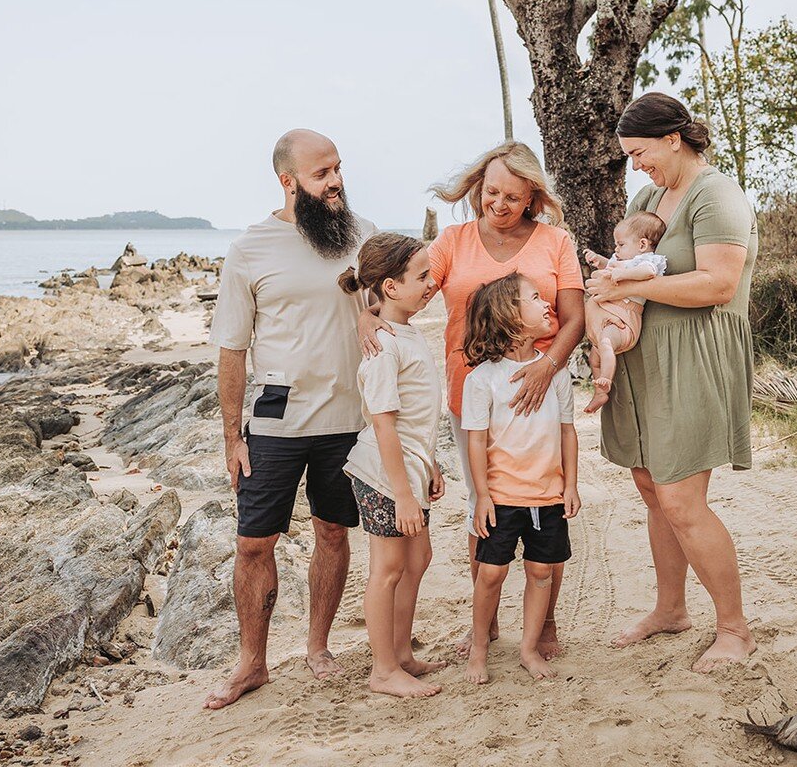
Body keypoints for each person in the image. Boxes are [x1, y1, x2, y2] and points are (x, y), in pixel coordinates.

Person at [362, 141, 584, 658]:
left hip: (542, 395)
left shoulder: (555, 242)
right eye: (490, 193)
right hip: (473, 396)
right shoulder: (453, 240)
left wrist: (547, 370)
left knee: (546, 499)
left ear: (532, 197)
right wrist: (364, 315)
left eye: (512, 196)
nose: (499, 204)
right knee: (482, 504)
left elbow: (573, 317)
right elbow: (402, 290)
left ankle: (544, 624)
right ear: (477, 188)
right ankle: (484, 625)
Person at [204, 129, 378, 710]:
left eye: (338, 169)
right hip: (274, 422)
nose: (336, 182)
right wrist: (232, 437)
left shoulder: (362, 236)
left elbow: (399, 304)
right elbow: (232, 349)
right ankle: (252, 662)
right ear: (288, 182)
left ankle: (318, 646)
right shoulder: (250, 249)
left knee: (334, 531)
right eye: (322, 173)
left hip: (348, 419)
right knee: (255, 543)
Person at [587, 92, 758, 673]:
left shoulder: (718, 196)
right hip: (645, 360)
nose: (635, 164)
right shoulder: (649, 196)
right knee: (652, 489)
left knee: (683, 500)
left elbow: (718, 286)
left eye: (639, 152)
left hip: (695, 358)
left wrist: (628, 289)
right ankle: (670, 609)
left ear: (672, 138)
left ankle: (734, 629)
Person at [338, 232, 448, 699]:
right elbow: (384, 426)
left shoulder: (404, 328)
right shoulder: (382, 345)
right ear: (390, 287)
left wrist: (433, 464)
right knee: (387, 568)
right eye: (421, 277)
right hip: (385, 475)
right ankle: (382, 670)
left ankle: (401, 653)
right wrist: (403, 493)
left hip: (411, 468)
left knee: (418, 559)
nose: (431, 283)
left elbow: (417, 414)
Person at [459, 273, 581, 684]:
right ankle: (479, 648)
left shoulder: (557, 375)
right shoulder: (482, 380)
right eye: (534, 297)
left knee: (541, 572)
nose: (547, 302)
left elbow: (568, 431)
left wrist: (572, 485)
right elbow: (475, 442)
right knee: (490, 573)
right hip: (503, 496)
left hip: (548, 496)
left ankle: (529, 648)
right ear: (510, 317)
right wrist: (481, 496)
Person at [580, 211, 668, 414]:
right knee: (595, 358)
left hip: (622, 321)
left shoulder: (645, 261)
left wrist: (623, 274)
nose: (616, 249)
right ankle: (599, 392)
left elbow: (648, 273)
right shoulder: (622, 259)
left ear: (643, 245)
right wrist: (598, 260)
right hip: (606, 320)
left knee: (605, 345)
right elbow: (609, 265)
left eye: (621, 244)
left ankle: (606, 380)